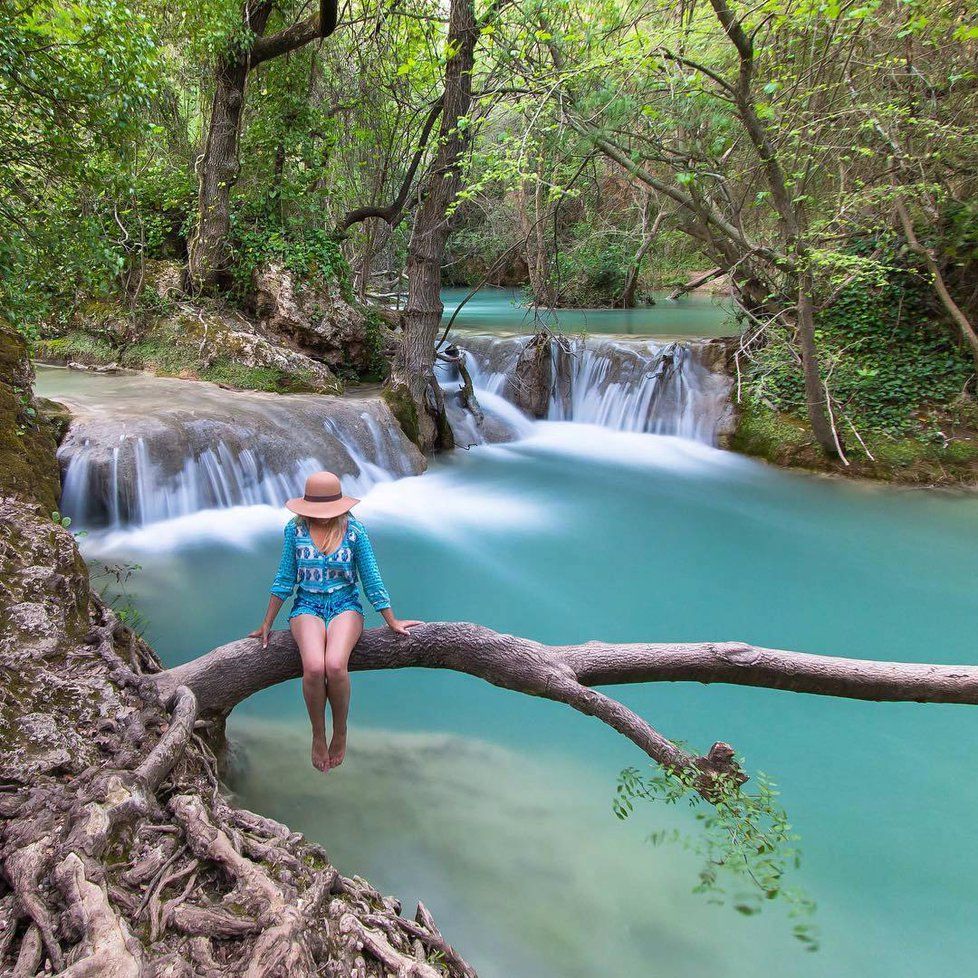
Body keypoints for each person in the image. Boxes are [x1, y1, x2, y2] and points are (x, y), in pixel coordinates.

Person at [250, 470, 421, 772]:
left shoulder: (355, 531)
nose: (321, 516)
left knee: (335, 666)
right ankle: (318, 733)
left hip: (345, 605)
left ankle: (340, 731)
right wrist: (267, 622)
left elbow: (370, 578)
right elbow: (285, 578)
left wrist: (391, 619)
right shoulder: (294, 530)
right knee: (314, 667)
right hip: (307, 605)